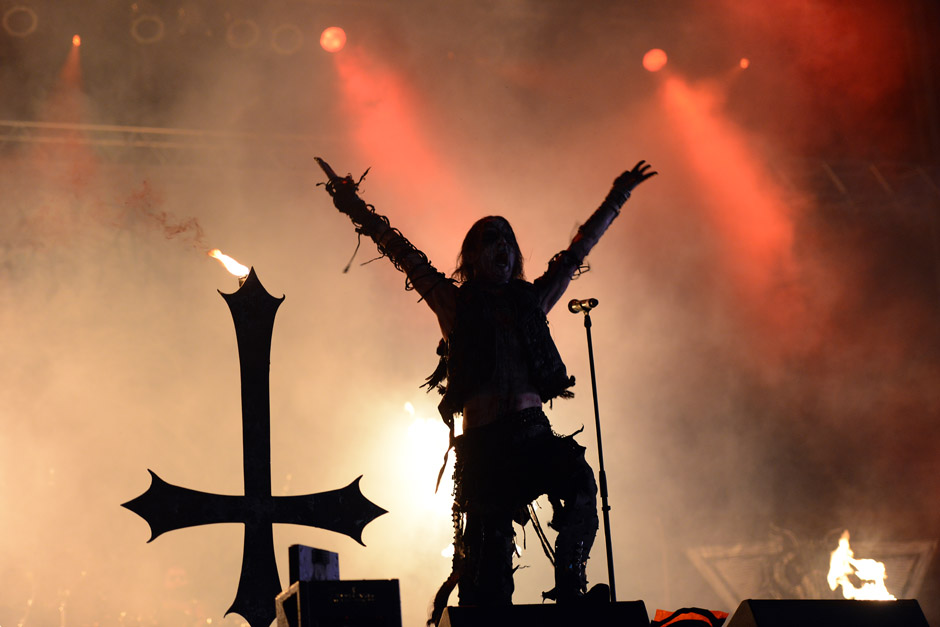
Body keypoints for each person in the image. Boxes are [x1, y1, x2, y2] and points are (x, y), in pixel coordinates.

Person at [316, 158, 656, 625]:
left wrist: (618, 196)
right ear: (471, 258)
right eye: (490, 239)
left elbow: (576, 253)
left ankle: (571, 588)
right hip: (485, 451)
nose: (502, 245)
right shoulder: (455, 303)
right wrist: (352, 203)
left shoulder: (532, 300)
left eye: (508, 240)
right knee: (488, 580)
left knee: (579, 485)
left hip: (533, 435)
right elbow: (400, 251)